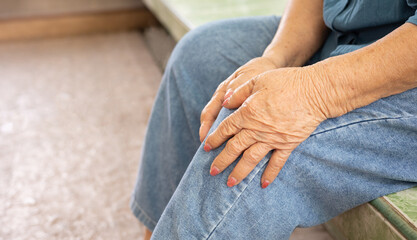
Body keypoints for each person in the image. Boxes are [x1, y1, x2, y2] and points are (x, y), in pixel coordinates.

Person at [130, 0, 417, 239]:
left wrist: (314, 92)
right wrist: (275, 60)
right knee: (200, 57)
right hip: (349, 36)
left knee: (252, 140)